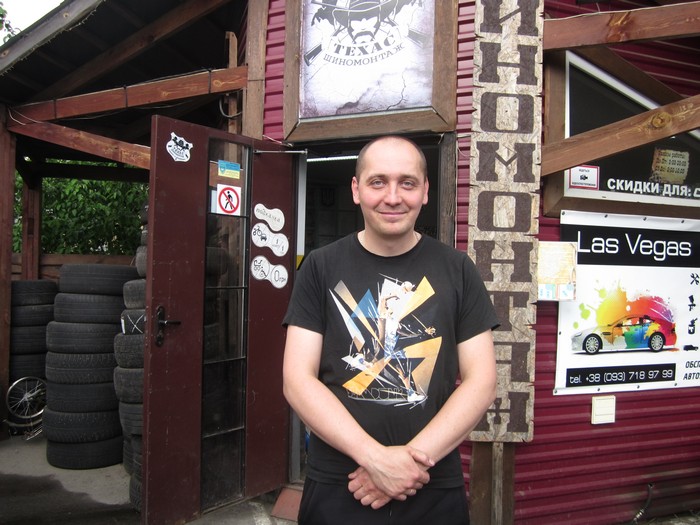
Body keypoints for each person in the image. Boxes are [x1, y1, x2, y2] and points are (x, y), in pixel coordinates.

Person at [282, 135, 499, 525]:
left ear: (425, 191)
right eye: (378, 182)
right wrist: (375, 459)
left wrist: (408, 466)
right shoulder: (320, 267)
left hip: (431, 481)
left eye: (407, 183)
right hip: (340, 481)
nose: (393, 197)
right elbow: (297, 379)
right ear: (356, 189)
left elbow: (481, 382)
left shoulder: (458, 269)